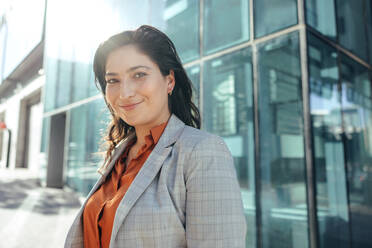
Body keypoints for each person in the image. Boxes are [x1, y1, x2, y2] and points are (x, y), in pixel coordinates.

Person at [64, 24, 246, 248]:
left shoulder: (202, 151)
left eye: (139, 75)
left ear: (169, 80)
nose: (125, 93)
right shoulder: (120, 153)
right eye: (113, 80)